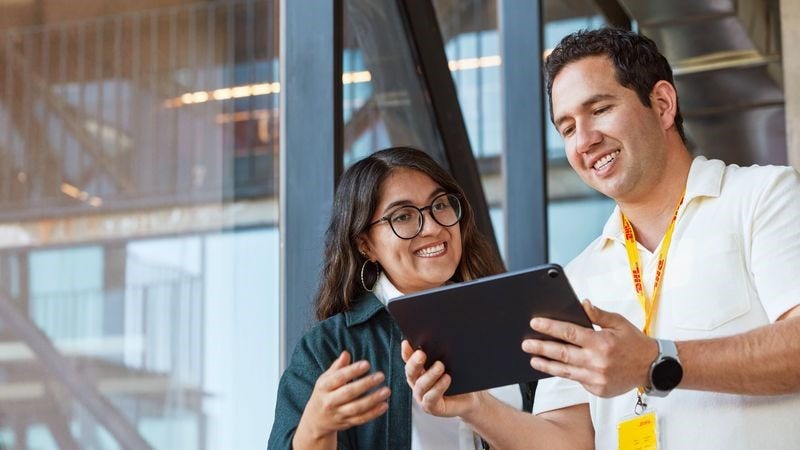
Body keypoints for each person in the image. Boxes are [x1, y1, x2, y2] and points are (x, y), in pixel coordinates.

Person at [403, 27, 800, 449]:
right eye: (568, 127)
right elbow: (568, 441)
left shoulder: (763, 197)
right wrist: (475, 408)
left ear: (662, 104)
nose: (585, 141)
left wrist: (656, 360)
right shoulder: (577, 277)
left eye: (600, 109)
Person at [267, 146, 535, 449]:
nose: (433, 227)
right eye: (403, 216)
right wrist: (316, 428)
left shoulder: (510, 316)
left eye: (440, 205)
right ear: (365, 244)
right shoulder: (331, 346)